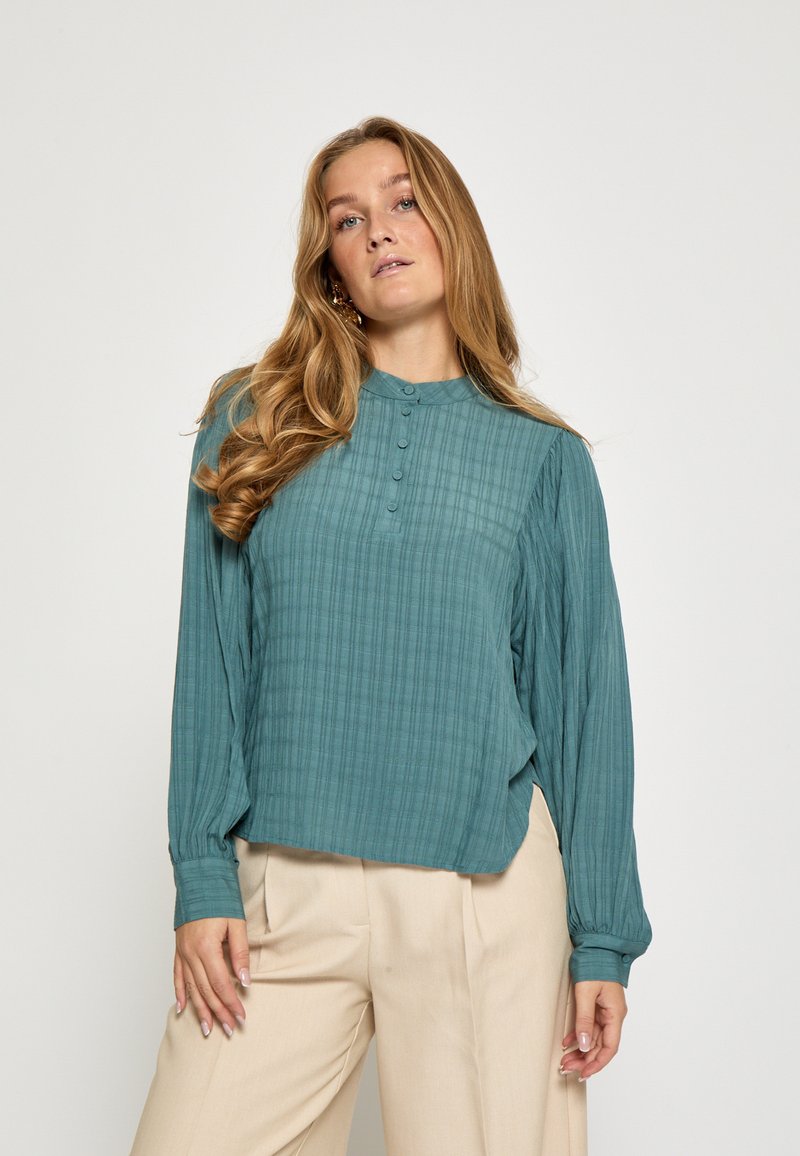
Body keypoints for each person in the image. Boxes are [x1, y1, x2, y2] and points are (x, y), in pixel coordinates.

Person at [130, 115, 653, 1156]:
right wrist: (201, 873)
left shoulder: (541, 461)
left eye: (404, 200)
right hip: (286, 892)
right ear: (328, 263)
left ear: (452, 224)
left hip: (480, 890)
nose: (377, 229)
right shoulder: (256, 420)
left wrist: (600, 937)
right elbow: (213, 667)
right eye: (346, 218)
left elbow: (584, 706)